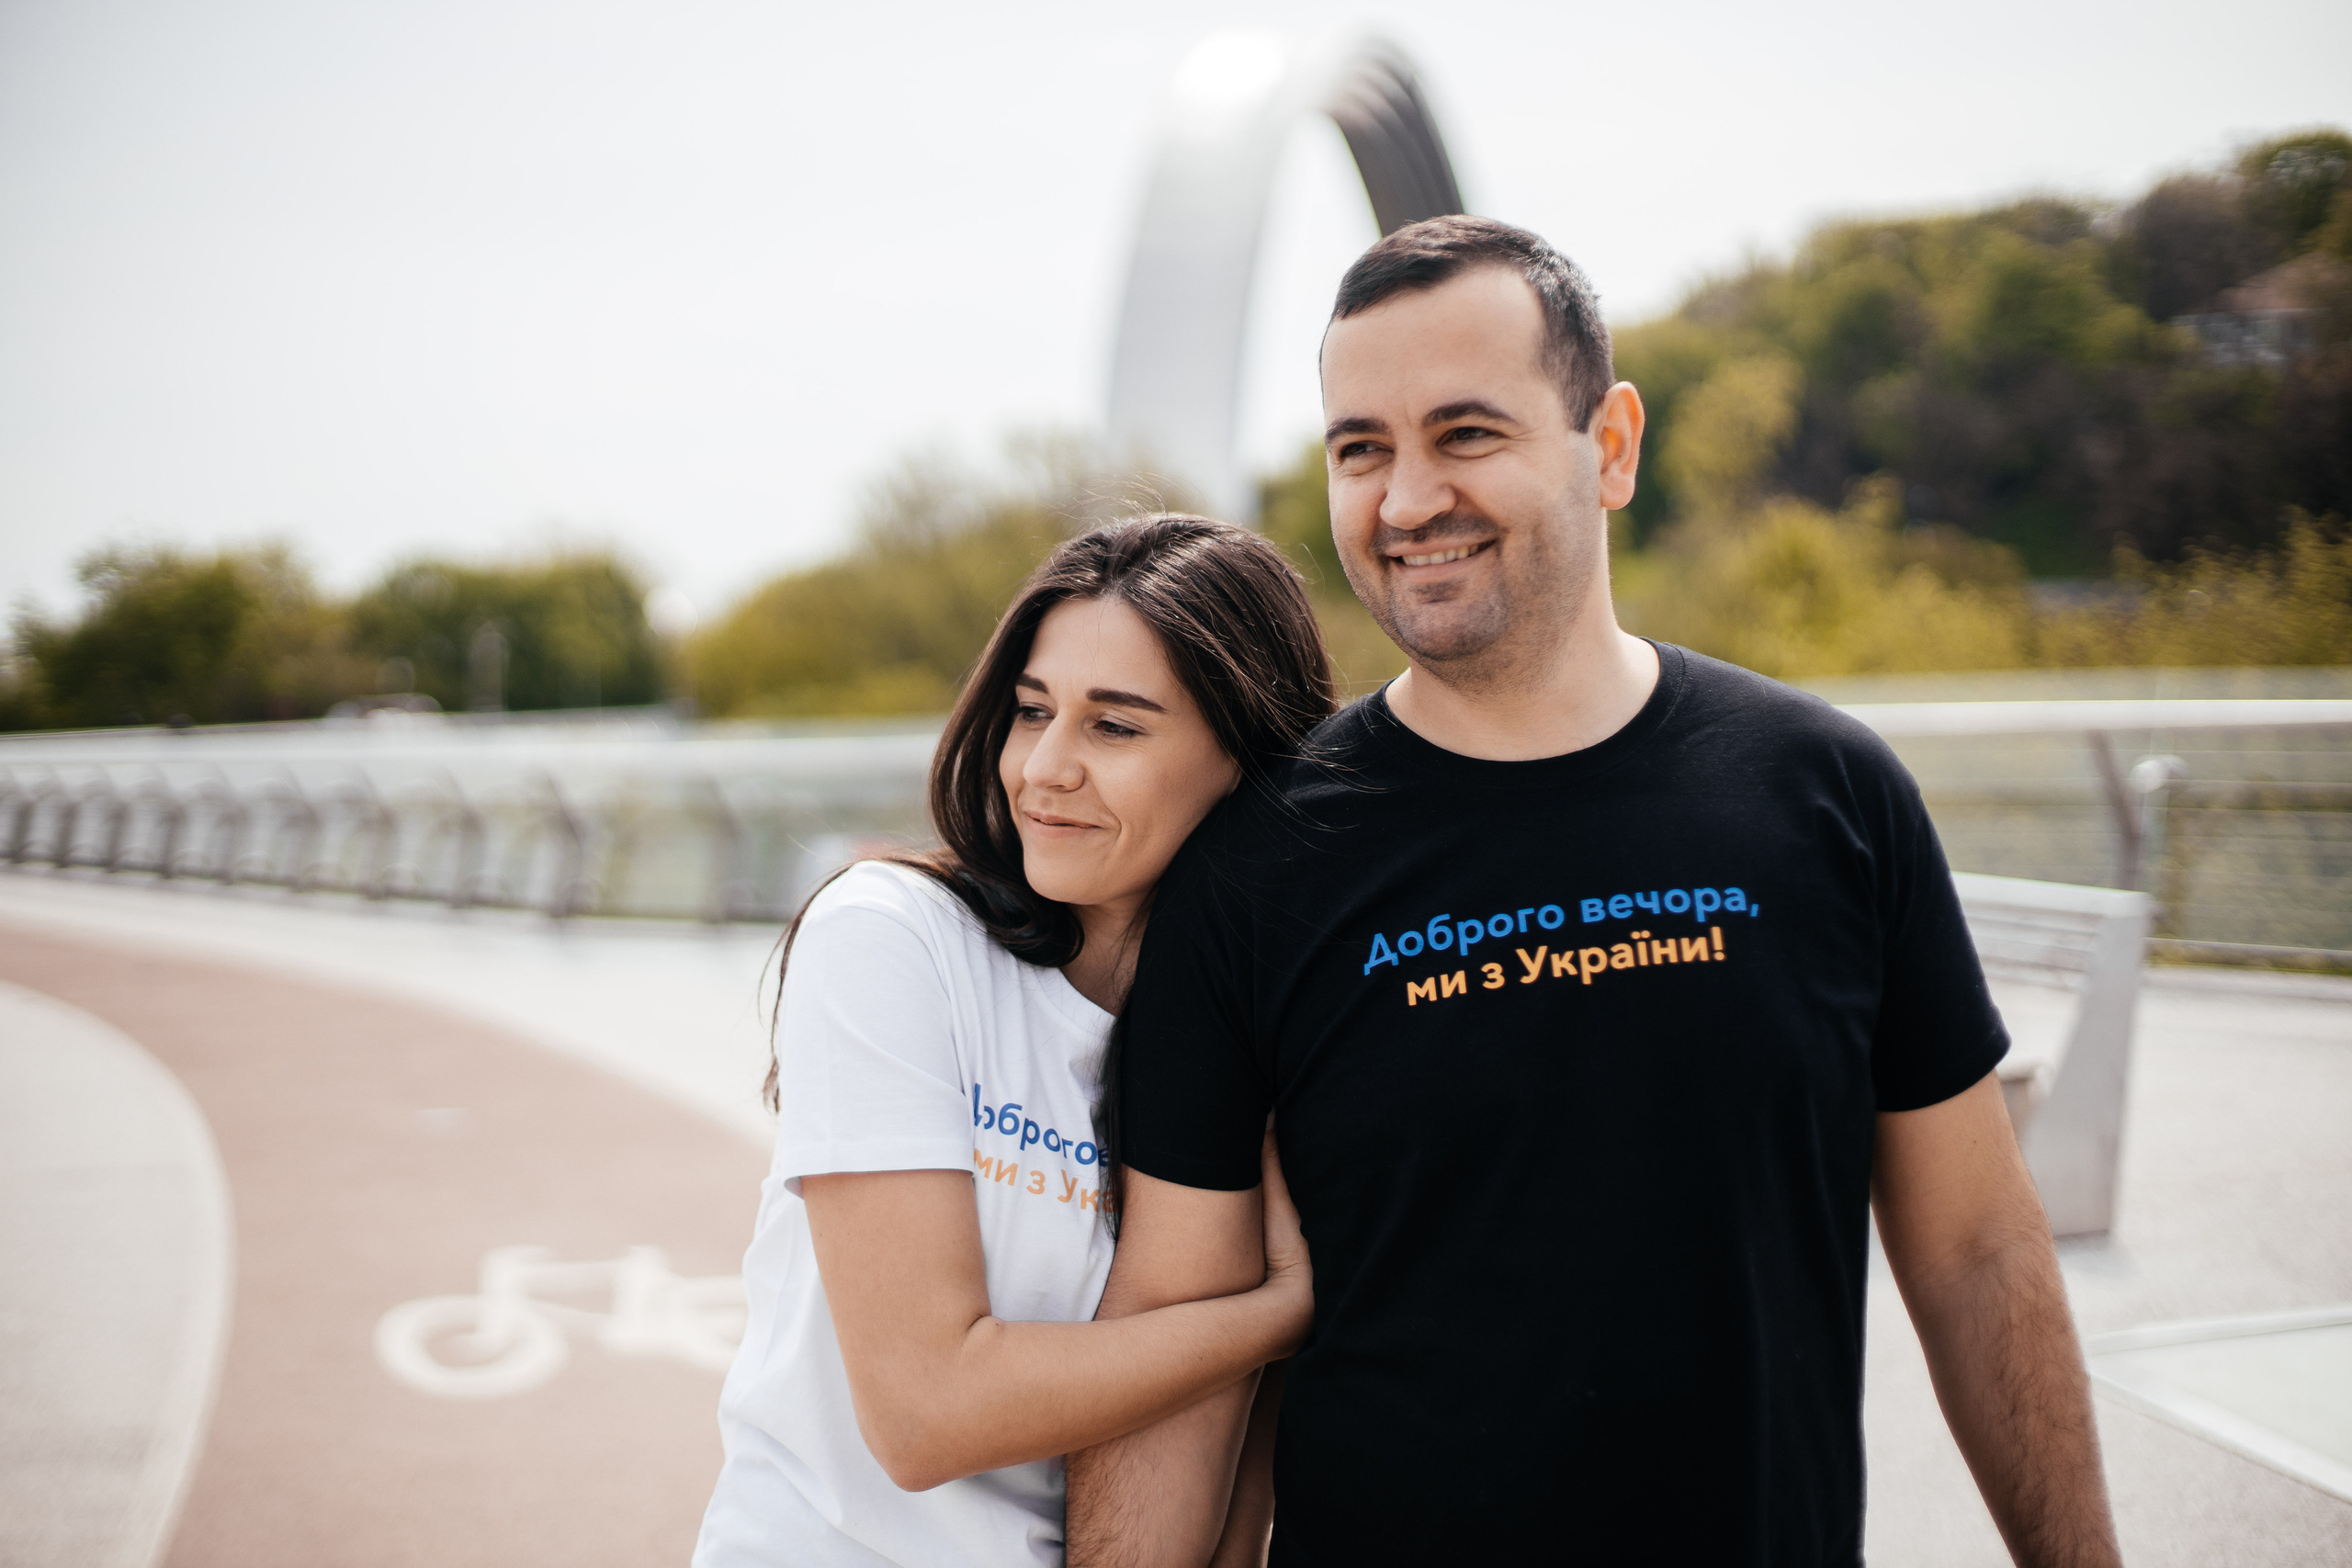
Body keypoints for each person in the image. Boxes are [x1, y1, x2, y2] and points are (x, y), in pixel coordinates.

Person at [1066, 219, 2124, 1567]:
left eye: (1466, 433)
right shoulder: (1254, 868)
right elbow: (1174, 1334)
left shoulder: (1828, 793)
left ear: (1611, 445)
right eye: (1361, 448)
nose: (1404, 501)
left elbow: (1978, 1250)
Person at [693, 516, 1332, 1568]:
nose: (1043, 769)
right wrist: (1277, 1315)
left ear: (1245, 761)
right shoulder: (892, 940)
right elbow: (923, 1414)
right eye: (1032, 712)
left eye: (1114, 728)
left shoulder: (1256, 1037)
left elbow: (1234, 1467)